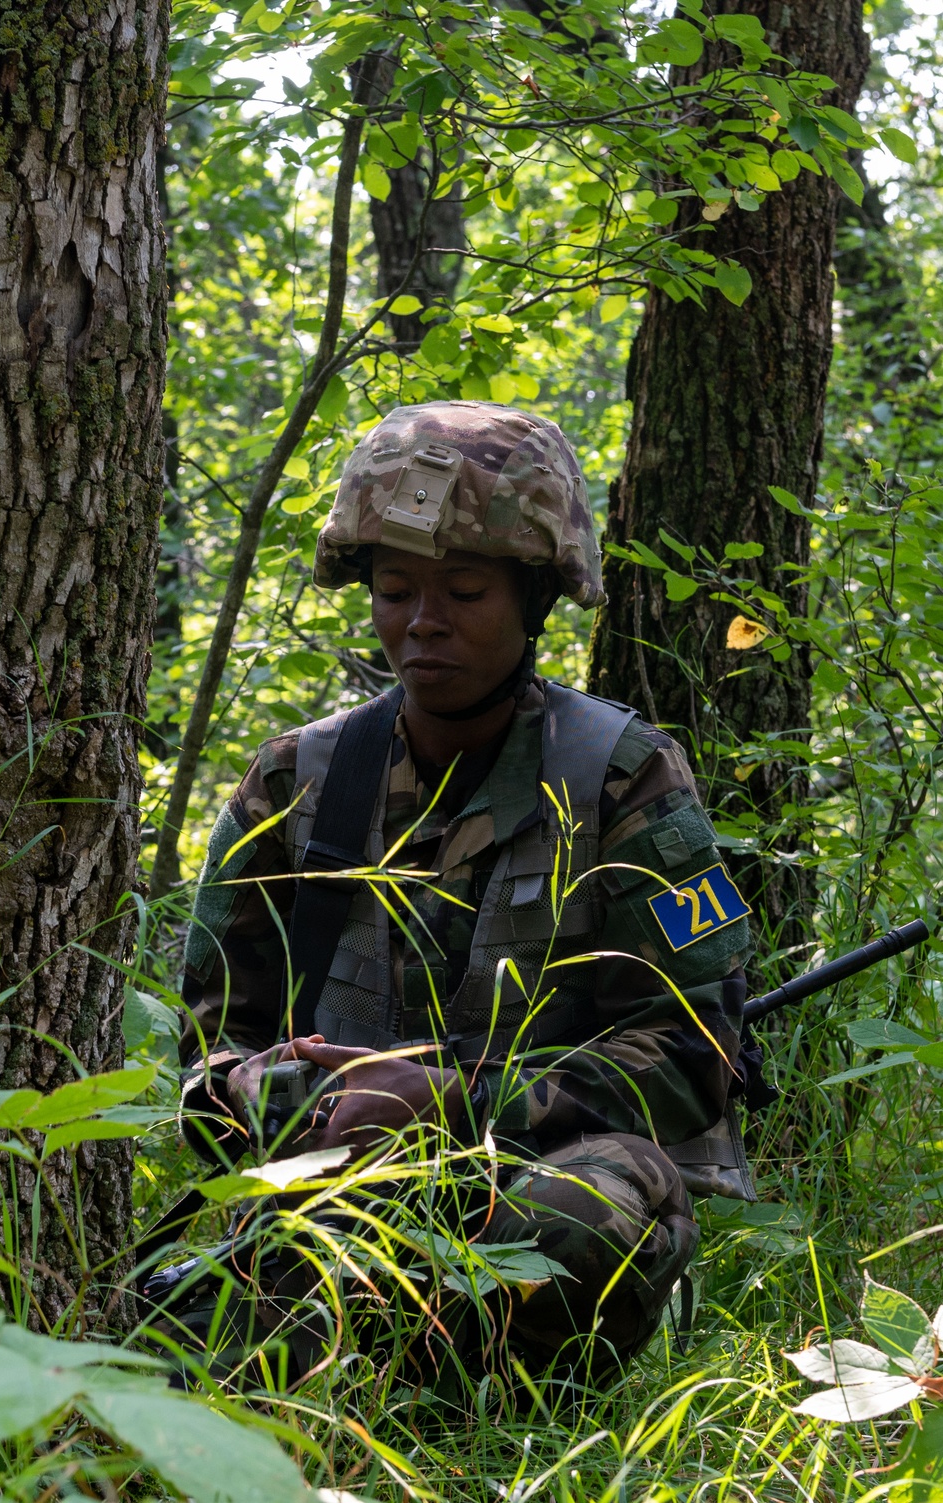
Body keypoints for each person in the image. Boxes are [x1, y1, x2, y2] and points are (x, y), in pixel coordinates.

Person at [175, 400, 753, 1379]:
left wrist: (455, 1102)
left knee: (586, 1211)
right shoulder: (295, 783)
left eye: (466, 591)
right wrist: (293, 1094)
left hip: (538, 1174)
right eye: (394, 589)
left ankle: (495, 1413)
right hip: (331, 1183)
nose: (422, 621)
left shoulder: (624, 781)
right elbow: (204, 1048)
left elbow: (695, 1051)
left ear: (533, 598)